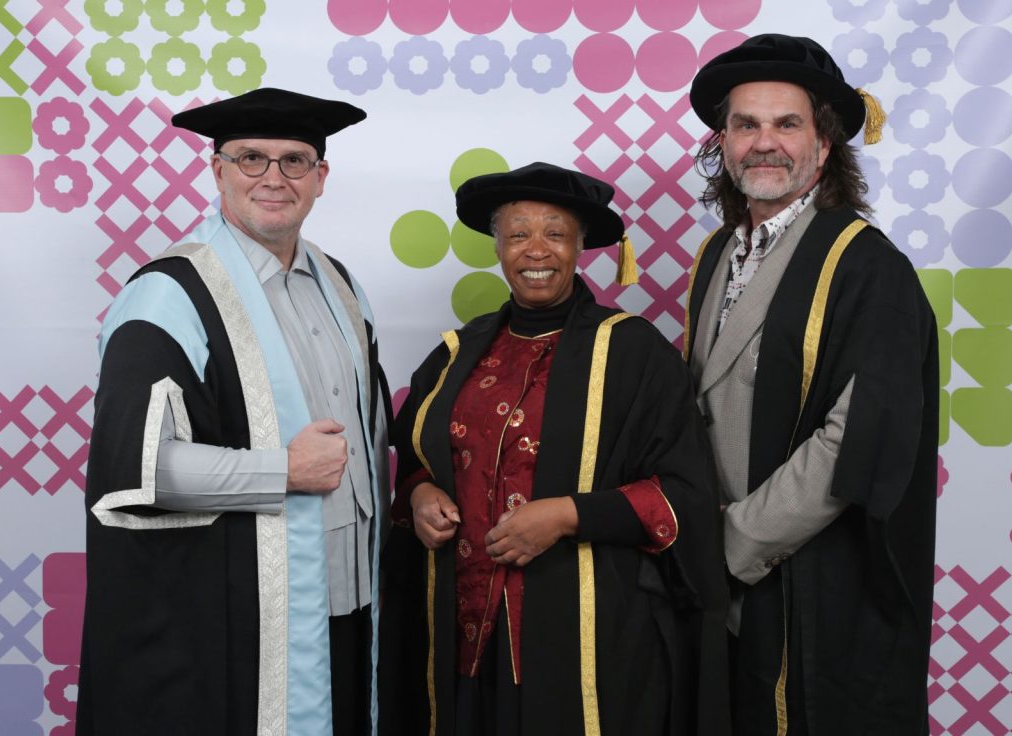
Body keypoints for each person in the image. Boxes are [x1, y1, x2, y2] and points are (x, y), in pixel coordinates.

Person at [76, 88, 390, 736]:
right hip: (238, 624)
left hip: (351, 611)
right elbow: (135, 471)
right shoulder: (168, 296)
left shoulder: (341, 285)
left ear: (320, 178)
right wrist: (284, 471)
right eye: (251, 158)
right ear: (218, 169)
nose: (273, 177)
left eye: (294, 161)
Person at [378, 162, 730, 736]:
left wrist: (569, 515)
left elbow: (685, 492)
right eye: (517, 234)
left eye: (555, 233)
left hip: (584, 627)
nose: (535, 250)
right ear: (496, 247)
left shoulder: (633, 354)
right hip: (465, 628)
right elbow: (415, 458)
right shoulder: (456, 353)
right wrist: (419, 496)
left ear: (581, 245)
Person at [684, 34, 939, 734]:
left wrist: (731, 545)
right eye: (746, 125)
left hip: (812, 583)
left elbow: (855, 442)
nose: (765, 143)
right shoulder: (716, 256)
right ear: (724, 143)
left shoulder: (867, 268)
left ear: (824, 145)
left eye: (787, 124)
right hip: (724, 591)